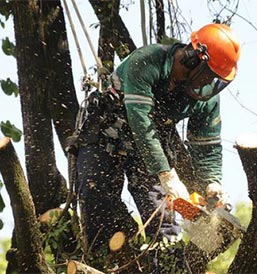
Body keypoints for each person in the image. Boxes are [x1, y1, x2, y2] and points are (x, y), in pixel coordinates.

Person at [74, 23, 240, 273]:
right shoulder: (147, 61)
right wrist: (167, 175)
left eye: (216, 80)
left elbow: (207, 146)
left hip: (149, 149)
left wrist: (212, 183)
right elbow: (140, 121)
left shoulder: (205, 99)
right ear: (194, 59)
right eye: (208, 75)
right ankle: (107, 259)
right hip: (106, 137)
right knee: (95, 198)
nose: (209, 84)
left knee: (162, 216)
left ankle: (169, 267)